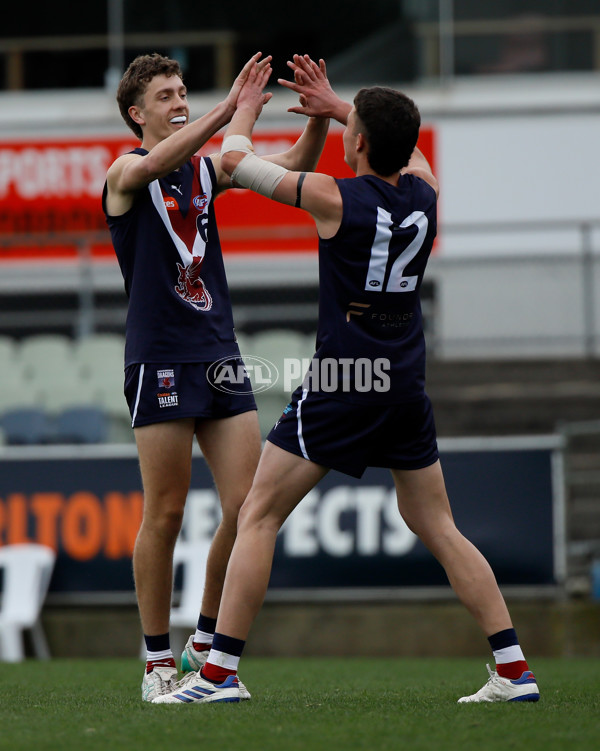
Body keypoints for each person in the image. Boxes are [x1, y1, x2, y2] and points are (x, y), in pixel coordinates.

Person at [154, 55, 539, 705]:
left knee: (257, 512)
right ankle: (513, 667)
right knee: (437, 522)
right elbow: (411, 155)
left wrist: (244, 105)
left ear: (356, 141)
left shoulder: (336, 197)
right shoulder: (425, 192)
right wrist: (342, 109)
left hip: (345, 377)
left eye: (351, 125)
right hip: (404, 380)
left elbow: (233, 163)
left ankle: (218, 674)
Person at [102, 51, 329, 702]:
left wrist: (313, 121)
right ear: (135, 114)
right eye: (166, 96)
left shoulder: (205, 169)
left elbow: (290, 169)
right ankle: (155, 659)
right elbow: (149, 165)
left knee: (249, 504)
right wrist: (228, 113)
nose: (178, 101)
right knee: (166, 511)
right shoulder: (124, 173)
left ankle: (205, 637)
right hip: (159, 357)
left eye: (183, 91)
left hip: (219, 352)